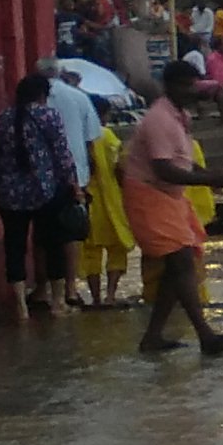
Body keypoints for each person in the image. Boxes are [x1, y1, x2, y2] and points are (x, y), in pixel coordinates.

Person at [121, 60, 223, 356]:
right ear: (170, 86)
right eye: (186, 85)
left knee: (176, 269)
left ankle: (153, 337)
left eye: (193, 84)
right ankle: (206, 337)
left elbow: (181, 160)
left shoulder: (179, 116)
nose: (191, 91)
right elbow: (164, 169)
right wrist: (207, 179)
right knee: (182, 262)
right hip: (150, 194)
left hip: (168, 197)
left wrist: (208, 175)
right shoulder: (158, 120)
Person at [0, 72, 80, 319]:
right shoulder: (49, 116)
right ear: (42, 95)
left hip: (10, 194)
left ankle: (21, 308)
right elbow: (62, 154)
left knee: (14, 247)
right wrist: (73, 183)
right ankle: (58, 303)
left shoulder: (0, 120)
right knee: (53, 243)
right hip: (45, 190)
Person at [37, 59, 104, 310]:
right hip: (75, 175)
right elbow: (91, 140)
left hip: (40, 178)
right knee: (71, 233)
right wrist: (90, 171)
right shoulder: (78, 97)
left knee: (42, 235)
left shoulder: (31, 103)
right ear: (61, 73)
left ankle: (43, 289)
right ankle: (70, 289)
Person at [78, 114, 133, 308]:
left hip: (87, 202)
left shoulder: (77, 137)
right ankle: (110, 295)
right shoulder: (107, 135)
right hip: (111, 202)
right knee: (117, 248)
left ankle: (95, 298)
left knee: (90, 251)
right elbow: (121, 168)